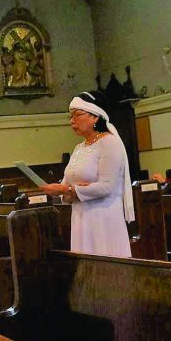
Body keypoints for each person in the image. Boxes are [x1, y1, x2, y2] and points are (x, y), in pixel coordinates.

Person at [39, 90, 134, 257]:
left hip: (103, 218)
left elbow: (106, 187)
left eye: (77, 115)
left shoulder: (110, 143)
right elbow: (66, 185)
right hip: (81, 218)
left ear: (95, 116)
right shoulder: (79, 148)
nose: (72, 121)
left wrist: (69, 190)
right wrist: (67, 192)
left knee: (106, 270)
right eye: (70, 116)